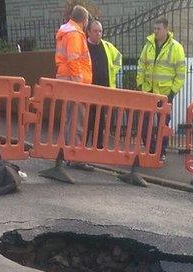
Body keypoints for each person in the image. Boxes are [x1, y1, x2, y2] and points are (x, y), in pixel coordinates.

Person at [136, 17, 186, 161]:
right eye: (154, 29)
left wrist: (172, 93)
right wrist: (140, 85)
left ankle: (161, 152)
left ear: (166, 29)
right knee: (145, 124)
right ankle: (151, 150)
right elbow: (141, 65)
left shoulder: (176, 48)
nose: (155, 31)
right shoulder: (149, 45)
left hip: (165, 94)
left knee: (163, 125)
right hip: (148, 92)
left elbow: (181, 73)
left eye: (158, 29)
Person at [55, 5, 93, 170]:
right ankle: (75, 157)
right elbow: (74, 60)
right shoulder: (75, 34)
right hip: (75, 83)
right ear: (84, 21)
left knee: (69, 119)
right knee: (77, 120)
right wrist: (79, 84)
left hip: (66, 81)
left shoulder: (65, 32)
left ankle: (66, 154)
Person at [86, 20, 122, 148]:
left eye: (100, 31)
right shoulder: (84, 47)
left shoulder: (107, 46)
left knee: (100, 120)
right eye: (95, 31)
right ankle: (83, 146)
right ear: (89, 32)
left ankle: (98, 146)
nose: (98, 34)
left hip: (103, 90)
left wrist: (113, 69)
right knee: (87, 119)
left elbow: (118, 58)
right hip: (87, 90)